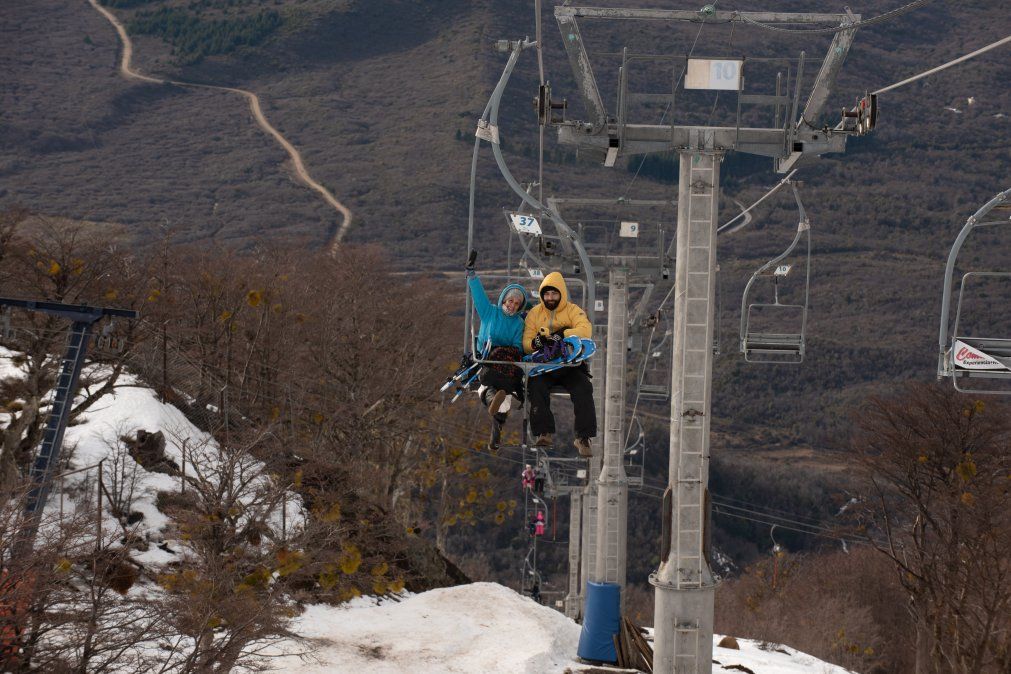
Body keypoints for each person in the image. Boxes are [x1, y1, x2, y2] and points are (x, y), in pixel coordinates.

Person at [523, 272, 596, 457]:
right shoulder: (535, 313)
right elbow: (526, 342)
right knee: (535, 386)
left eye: (554, 294)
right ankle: (543, 431)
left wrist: (563, 334)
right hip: (545, 364)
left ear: (561, 293)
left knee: (584, 388)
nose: (550, 298)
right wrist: (537, 343)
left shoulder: (572, 310)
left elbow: (585, 330)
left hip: (568, 364)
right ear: (542, 295)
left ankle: (583, 437)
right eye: (546, 294)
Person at [466, 257, 529, 442]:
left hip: (504, 361)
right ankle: (497, 426)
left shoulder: (518, 323)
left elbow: (518, 345)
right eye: (510, 300)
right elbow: (478, 295)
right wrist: (472, 275)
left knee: (492, 387)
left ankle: (496, 416)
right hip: (486, 358)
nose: (512, 305)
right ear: (504, 299)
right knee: (496, 390)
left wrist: (507, 351)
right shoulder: (490, 312)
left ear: (520, 307)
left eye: (517, 304)